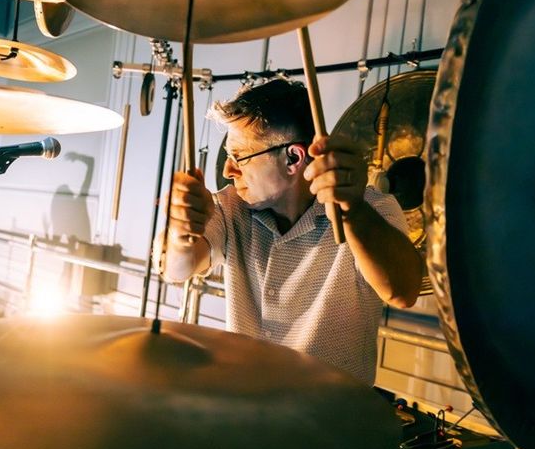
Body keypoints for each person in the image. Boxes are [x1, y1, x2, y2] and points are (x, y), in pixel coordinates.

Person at [160, 78, 422, 385]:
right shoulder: (231, 207)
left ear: (293, 159)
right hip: (248, 409)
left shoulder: (372, 209)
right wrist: (179, 232)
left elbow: (403, 292)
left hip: (330, 422)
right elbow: (177, 269)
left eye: (239, 157)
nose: (227, 171)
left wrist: (351, 209)